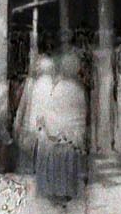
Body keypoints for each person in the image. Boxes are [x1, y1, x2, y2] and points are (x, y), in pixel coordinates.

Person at [34, 50, 89, 205]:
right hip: (69, 135)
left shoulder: (56, 87)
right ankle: (65, 193)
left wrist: (46, 127)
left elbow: (48, 110)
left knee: (55, 164)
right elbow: (80, 114)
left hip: (54, 133)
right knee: (66, 165)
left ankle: (53, 191)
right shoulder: (77, 89)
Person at [13, 52, 57, 176]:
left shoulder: (33, 83)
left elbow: (23, 106)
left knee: (29, 165)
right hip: (38, 130)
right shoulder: (40, 84)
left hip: (33, 129)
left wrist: (18, 123)